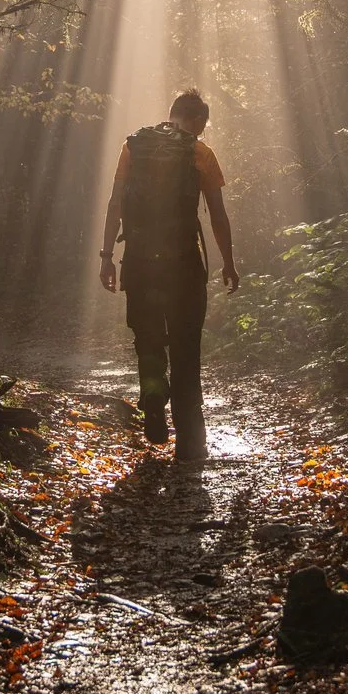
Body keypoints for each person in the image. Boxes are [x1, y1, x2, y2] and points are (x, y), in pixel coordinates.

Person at [99, 88, 238, 461]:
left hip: (141, 263)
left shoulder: (133, 147)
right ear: (194, 121)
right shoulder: (200, 153)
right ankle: (191, 445)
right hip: (184, 265)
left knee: (147, 340)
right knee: (185, 350)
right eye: (202, 125)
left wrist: (106, 256)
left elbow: (115, 202)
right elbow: (217, 216)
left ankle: (154, 392)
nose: (201, 132)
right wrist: (228, 261)